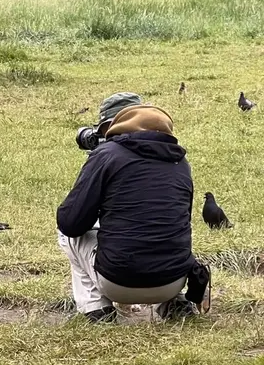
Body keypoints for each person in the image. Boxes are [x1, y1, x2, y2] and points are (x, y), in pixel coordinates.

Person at [56, 92, 208, 323]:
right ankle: (174, 303)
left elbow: (70, 223)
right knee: (167, 224)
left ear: (113, 126)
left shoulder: (106, 155)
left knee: (67, 236)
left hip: (118, 282)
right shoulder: (181, 163)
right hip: (173, 280)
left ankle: (96, 309)